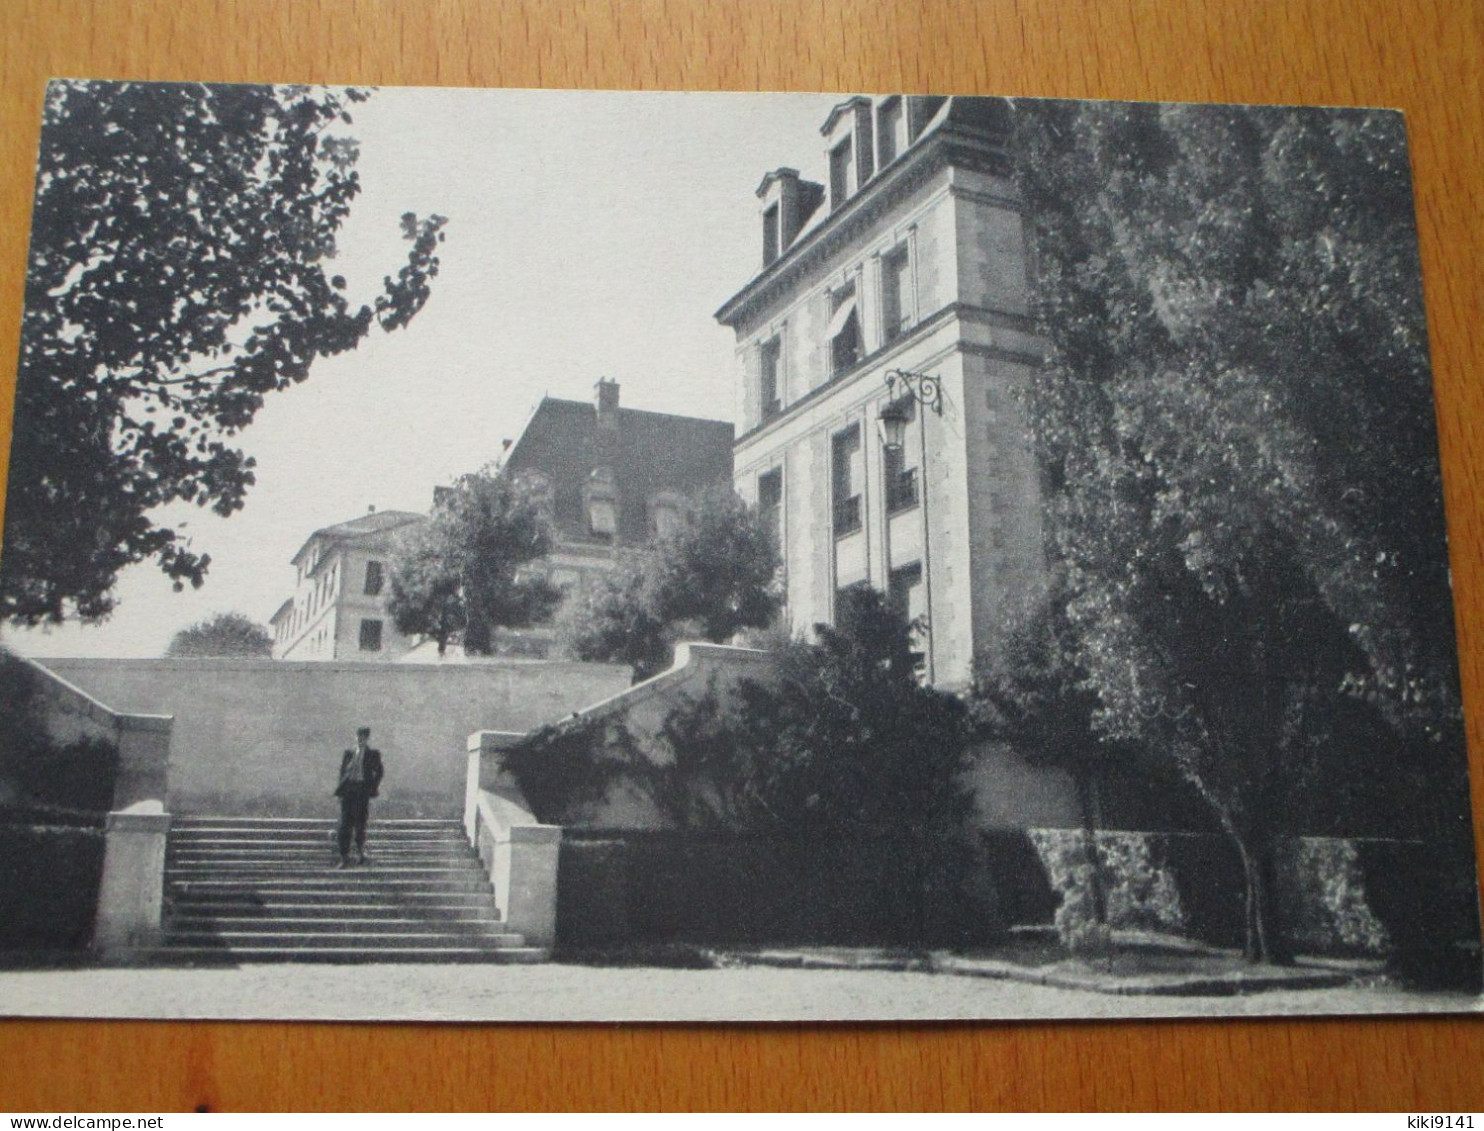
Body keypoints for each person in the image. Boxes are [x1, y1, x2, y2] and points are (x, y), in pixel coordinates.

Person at [333, 725, 384, 868]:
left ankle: (360, 853)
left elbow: (379, 771)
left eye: (363, 737)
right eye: (358, 736)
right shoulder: (348, 753)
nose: (360, 739)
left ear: (367, 738)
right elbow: (342, 773)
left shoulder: (373, 754)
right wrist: (341, 791)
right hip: (349, 790)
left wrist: (372, 787)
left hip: (362, 790)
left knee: (360, 822)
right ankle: (344, 857)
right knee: (345, 824)